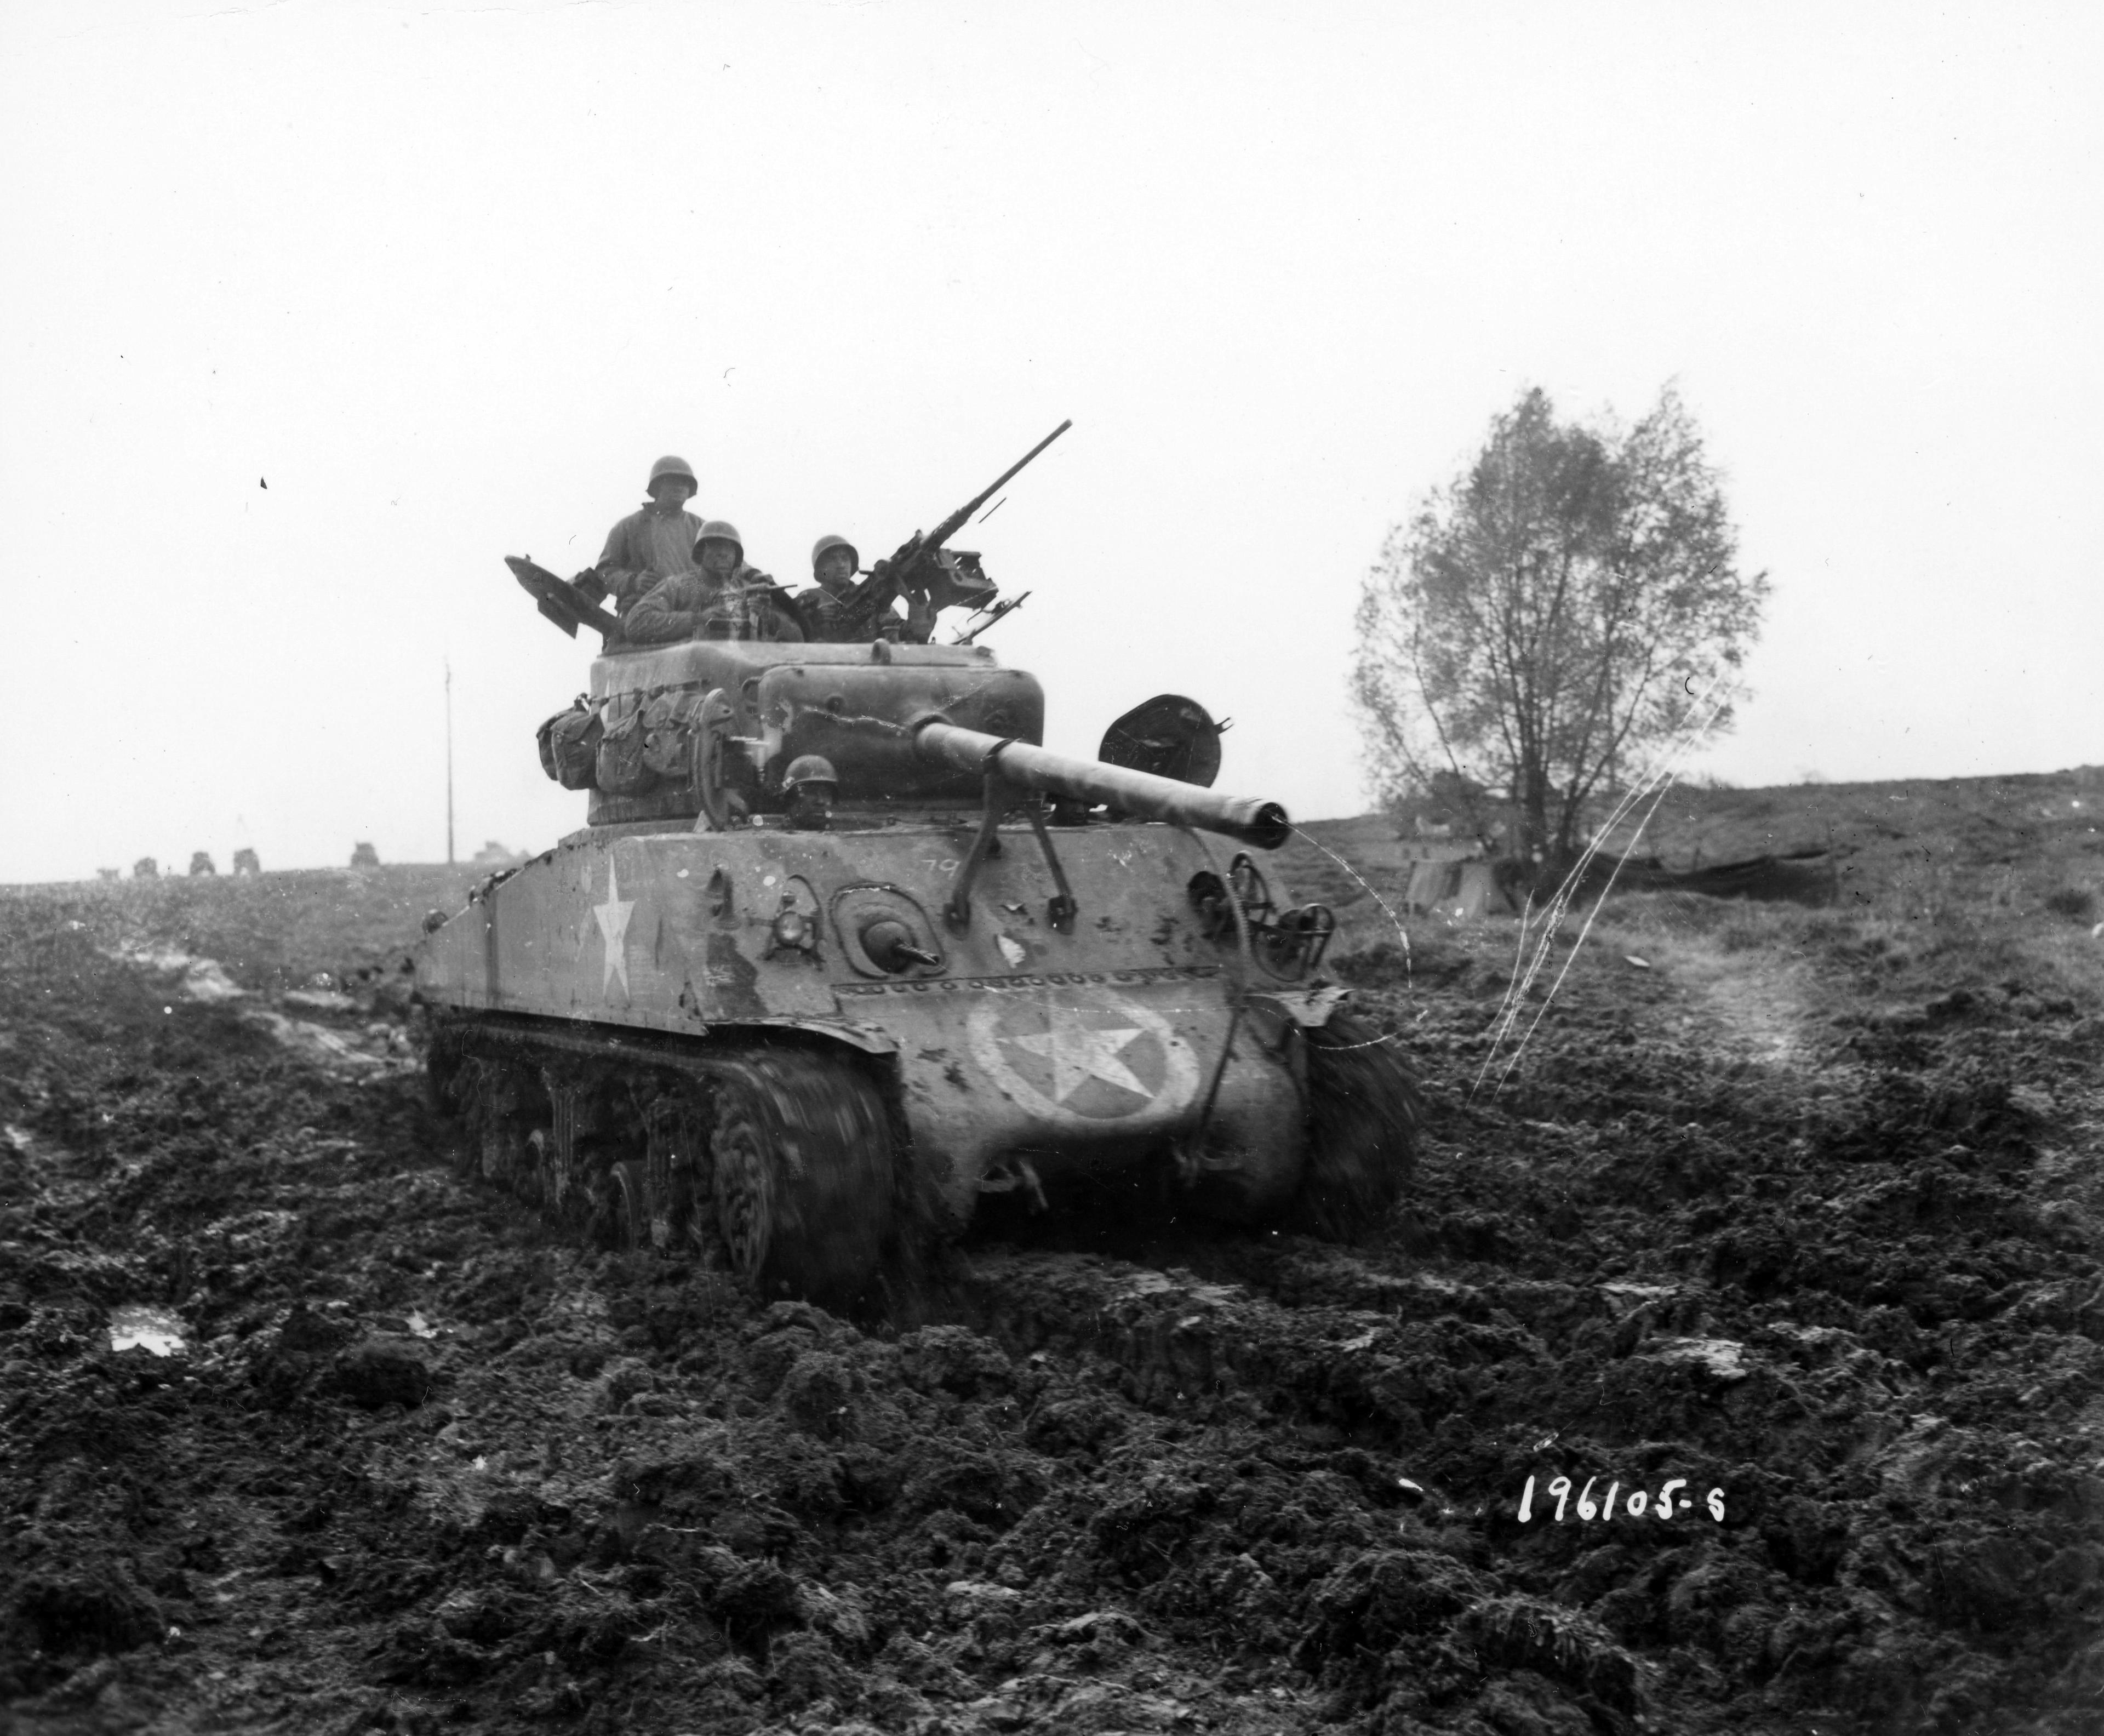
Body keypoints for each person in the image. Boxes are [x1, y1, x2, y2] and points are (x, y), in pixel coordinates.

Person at [625, 522, 805, 644]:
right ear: (700, 553)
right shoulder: (678, 586)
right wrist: (699, 619)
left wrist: (767, 617)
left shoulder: (751, 591)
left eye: (729, 548)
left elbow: (799, 638)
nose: (723, 553)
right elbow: (637, 623)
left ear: (737, 557)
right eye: (715, 546)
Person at [582, 456, 706, 619]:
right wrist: (633, 581)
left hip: (692, 614)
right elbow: (605, 572)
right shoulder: (630, 526)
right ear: (657, 486)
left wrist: (751, 575)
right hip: (642, 613)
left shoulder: (701, 528)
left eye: (684, 483)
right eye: (672, 481)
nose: (679, 487)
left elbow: (732, 564)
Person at [793, 534, 935, 643]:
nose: (841, 564)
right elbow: (785, 634)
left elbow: (900, 636)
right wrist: (812, 619)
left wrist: (919, 617)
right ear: (821, 568)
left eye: (845, 558)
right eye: (833, 559)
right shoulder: (808, 598)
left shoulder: (870, 598)